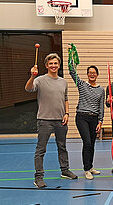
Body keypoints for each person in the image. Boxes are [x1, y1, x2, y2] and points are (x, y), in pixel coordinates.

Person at [25, 53, 78, 188]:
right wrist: (32, 76)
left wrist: (67, 113)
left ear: (59, 65)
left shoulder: (63, 81)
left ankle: (65, 171)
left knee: (62, 147)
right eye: (51, 64)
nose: (53, 66)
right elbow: (28, 88)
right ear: (46, 65)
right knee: (41, 150)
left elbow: (65, 99)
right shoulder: (40, 80)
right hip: (44, 120)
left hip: (61, 120)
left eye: (55, 63)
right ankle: (38, 177)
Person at [69, 64, 105, 180]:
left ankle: (90, 167)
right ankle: (86, 169)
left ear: (97, 75)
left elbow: (101, 107)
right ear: (87, 74)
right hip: (82, 117)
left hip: (94, 119)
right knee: (87, 142)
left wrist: (100, 121)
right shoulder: (82, 85)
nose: (92, 74)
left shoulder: (101, 90)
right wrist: (71, 58)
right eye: (90, 72)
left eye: (94, 72)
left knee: (92, 144)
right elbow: (72, 73)